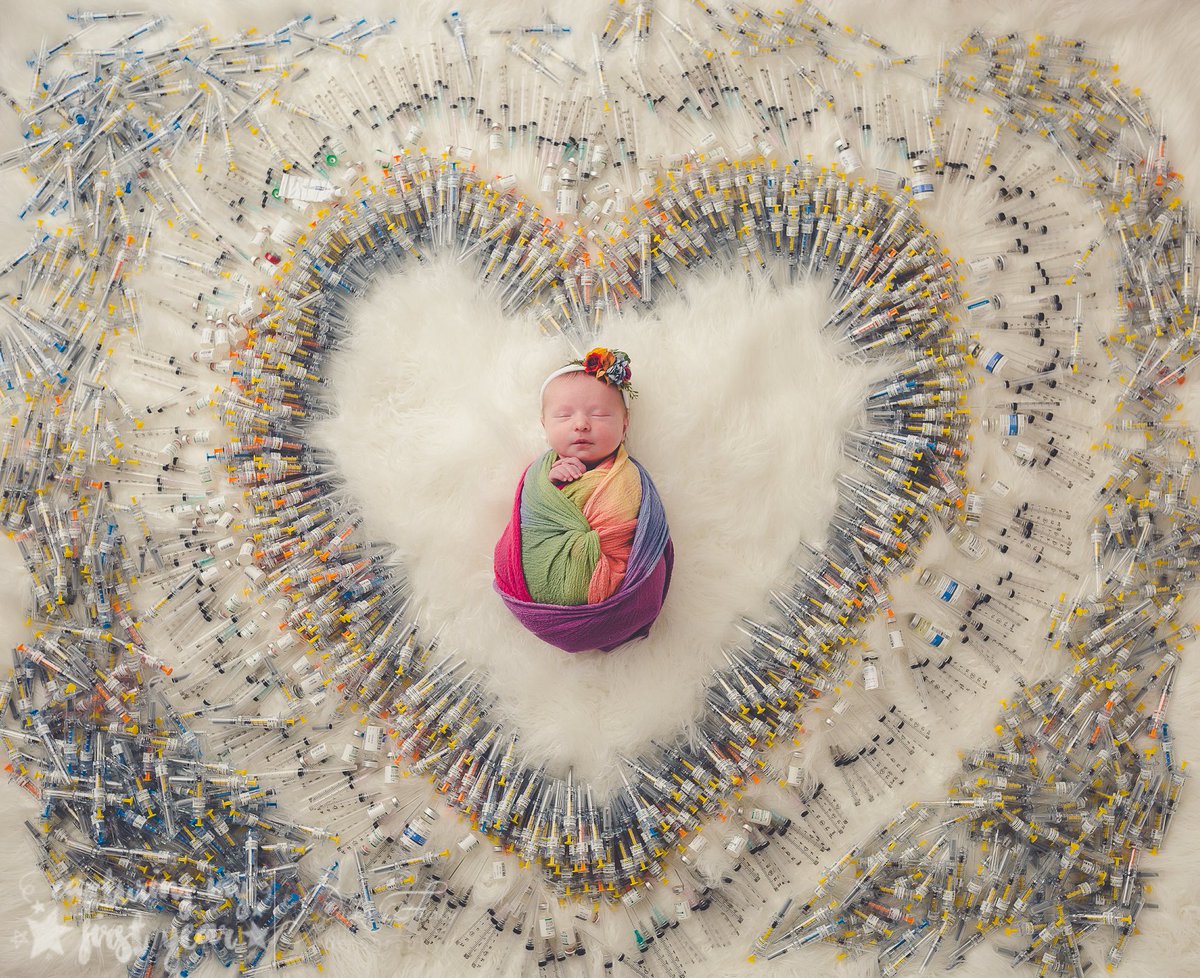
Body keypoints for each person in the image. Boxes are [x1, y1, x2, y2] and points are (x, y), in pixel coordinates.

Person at [493, 348, 674, 653]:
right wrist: (550, 484)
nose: (581, 424)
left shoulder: (628, 477)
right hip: (540, 583)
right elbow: (531, 519)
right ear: (544, 425)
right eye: (564, 415)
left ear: (625, 424)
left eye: (599, 414)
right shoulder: (542, 474)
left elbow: (637, 530)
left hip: (616, 595)